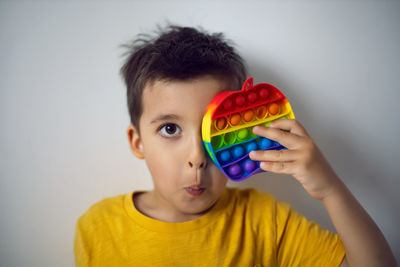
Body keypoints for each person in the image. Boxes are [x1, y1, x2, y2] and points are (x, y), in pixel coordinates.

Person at [74, 24, 397, 267]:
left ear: (244, 133)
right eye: (170, 128)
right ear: (137, 141)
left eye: (215, 132)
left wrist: (330, 189)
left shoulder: (264, 221)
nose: (197, 158)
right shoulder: (98, 227)